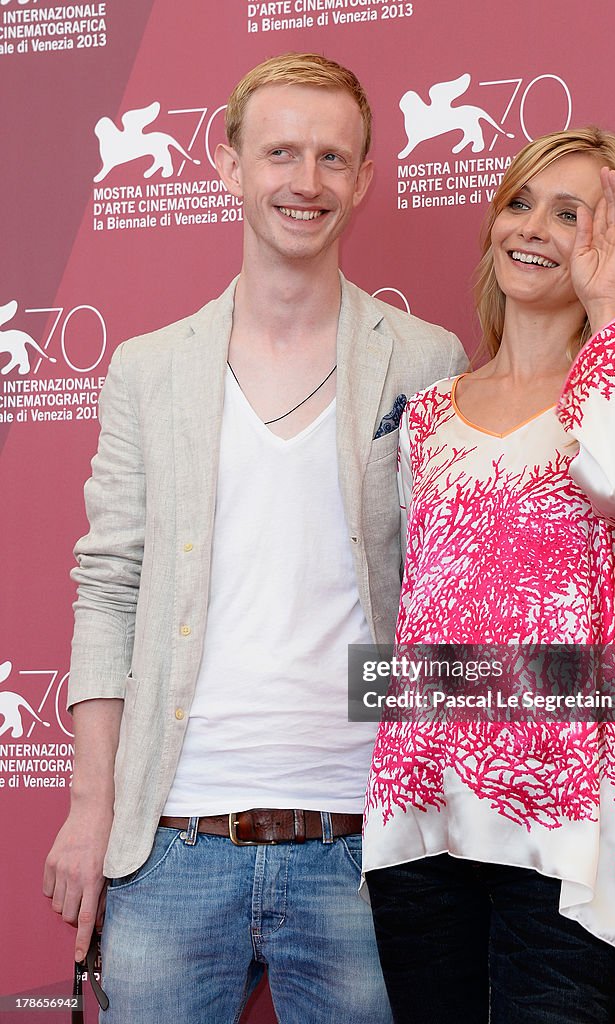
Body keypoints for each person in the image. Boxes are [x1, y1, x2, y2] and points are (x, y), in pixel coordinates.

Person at [42, 52, 466, 1023]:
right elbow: (110, 586)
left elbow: (443, 592)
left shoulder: (424, 357)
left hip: (364, 848)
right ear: (229, 165)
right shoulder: (148, 371)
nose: (303, 182)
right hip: (172, 846)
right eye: (280, 152)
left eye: (330, 157)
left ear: (362, 178)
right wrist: (89, 807)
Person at [362, 127, 615, 1023]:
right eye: (521, 202)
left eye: (572, 216)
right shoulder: (427, 416)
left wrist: (607, 307)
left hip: (573, 828)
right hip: (422, 816)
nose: (537, 229)